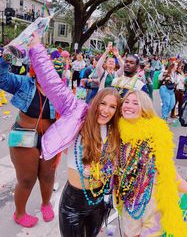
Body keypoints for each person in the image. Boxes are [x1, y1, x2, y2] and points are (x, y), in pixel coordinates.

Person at [28, 35, 121, 237]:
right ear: (95, 102)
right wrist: (37, 50)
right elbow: (53, 84)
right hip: (73, 204)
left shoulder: (118, 130)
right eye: (103, 104)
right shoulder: (78, 114)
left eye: (112, 107)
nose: (106, 110)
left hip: (99, 203)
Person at [115, 90, 187, 237]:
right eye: (126, 102)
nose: (129, 106)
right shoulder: (117, 135)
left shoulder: (154, 137)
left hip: (153, 209)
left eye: (135, 103)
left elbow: (170, 175)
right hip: (128, 206)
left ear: (145, 108)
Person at [0, 53, 57, 228]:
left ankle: (46, 204)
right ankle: (19, 213)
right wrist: (6, 58)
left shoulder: (58, 89)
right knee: (26, 179)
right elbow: (2, 79)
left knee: (48, 176)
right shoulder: (24, 83)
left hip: (50, 138)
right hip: (24, 135)